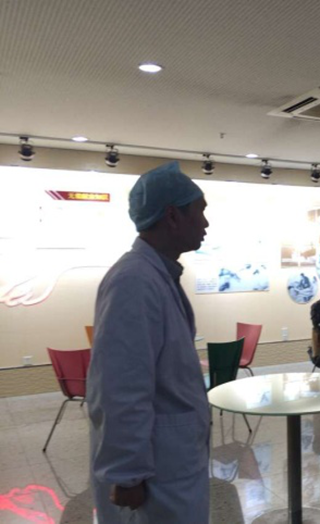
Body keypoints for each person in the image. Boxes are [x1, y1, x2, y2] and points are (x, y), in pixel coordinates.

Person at [87, 161, 210, 524]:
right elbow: (119, 386)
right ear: (172, 216)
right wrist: (126, 473)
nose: (205, 223)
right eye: (200, 211)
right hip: (155, 476)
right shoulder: (134, 282)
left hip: (172, 462)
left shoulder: (157, 276)